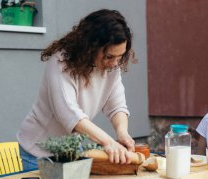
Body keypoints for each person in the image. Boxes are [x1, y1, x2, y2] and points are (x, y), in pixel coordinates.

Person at [17, 9, 136, 170]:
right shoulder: (61, 62)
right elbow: (69, 114)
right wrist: (108, 142)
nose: (115, 63)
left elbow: (116, 106)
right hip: (38, 153)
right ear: (90, 47)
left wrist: (122, 132)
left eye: (120, 56)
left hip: (71, 149)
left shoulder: (111, 67)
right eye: (109, 56)